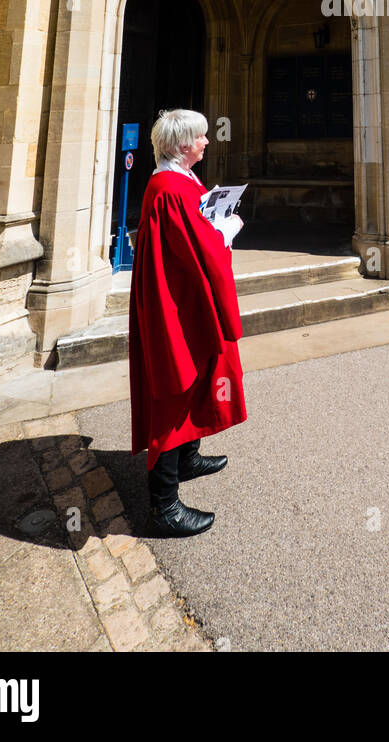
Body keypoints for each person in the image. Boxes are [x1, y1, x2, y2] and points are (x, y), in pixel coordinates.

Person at [129, 108, 247, 536]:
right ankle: (163, 507)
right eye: (200, 137)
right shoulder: (171, 190)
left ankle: (187, 457)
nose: (207, 142)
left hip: (180, 300)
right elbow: (202, 249)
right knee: (173, 387)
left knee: (199, 374)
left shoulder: (179, 183)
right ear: (183, 146)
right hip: (173, 309)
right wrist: (228, 228)